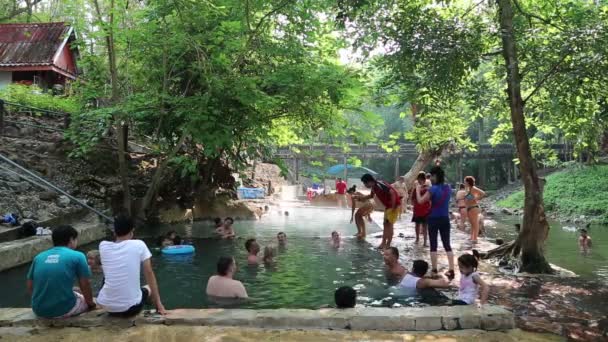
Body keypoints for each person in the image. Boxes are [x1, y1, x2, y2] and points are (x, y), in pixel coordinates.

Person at [97, 216, 166, 316]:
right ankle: (155, 307)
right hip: (130, 309)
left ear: (114, 232)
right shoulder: (139, 245)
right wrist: (159, 303)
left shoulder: (103, 246)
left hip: (108, 307)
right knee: (148, 287)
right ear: (132, 231)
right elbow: (149, 273)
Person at [26, 225, 95, 318]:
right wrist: (91, 304)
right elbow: (85, 285)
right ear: (71, 240)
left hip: (38, 310)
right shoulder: (78, 256)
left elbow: (30, 285)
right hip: (63, 310)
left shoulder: (39, 257)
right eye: (76, 239)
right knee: (87, 299)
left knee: (75, 289)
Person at [416, 166, 455, 280]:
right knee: (447, 244)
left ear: (436, 176)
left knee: (433, 245)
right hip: (445, 218)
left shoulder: (432, 190)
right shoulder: (448, 188)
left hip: (433, 219)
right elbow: (441, 194)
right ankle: (451, 270)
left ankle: (434, 270)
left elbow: (420, 201)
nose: (430, 178)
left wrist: (418, 190)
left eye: (432, 176)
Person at [359, 173, 402, 249]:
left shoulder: (379, 184)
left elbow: (392, 192)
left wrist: (393, 207)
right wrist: (361, 198)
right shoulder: (374, 187)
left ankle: (388, 244)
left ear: (369, 181)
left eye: (365, 183)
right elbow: (371, 196)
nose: (365, 185)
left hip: (393, 206)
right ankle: (383, 243)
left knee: (389, 225)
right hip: (388, 206)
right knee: (385, 224)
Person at [411, 171, 431, 246]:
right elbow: (413, 198)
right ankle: (419, 239)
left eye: (420, 179)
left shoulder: (426, 188)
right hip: (421, 209)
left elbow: (412, 199)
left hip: (423, 209)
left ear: (423, 179)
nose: (419, 181)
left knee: (423, 226)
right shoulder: (425, 188)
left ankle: (422, 240)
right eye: (419, 179)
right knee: (420, 225)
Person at [464, 176, 486, 243]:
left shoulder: (473, 188)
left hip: (474, 208)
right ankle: (472, 237)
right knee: (472, 224)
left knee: (475, 224)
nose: (464, 182)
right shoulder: (469, 189)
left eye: (465, 181)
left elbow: (483, 193)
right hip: (469, 208)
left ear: (468, 182)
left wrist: (477, 198)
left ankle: (475, 239)